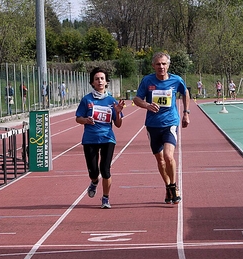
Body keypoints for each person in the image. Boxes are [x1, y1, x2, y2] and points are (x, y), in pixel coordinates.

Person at [133, 52, 190, 204]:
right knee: (160, 160)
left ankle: (174, 185)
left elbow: (185, 92)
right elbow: (136, 99)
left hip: (170, 123)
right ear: (153, 66)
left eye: (164, 64)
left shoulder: (176, 80)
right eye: (158, 64)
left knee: (168, 156)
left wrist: (186, 113)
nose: (161, 67)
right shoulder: (147, 81)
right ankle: (168, 186)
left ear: (168, 65)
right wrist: (147, 105)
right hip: (152, 125)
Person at [75, 67, 125, 209]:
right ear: (92, 82)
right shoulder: (87, 100)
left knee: (105, 169)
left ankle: (105, 198)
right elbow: (78, 118)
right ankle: (94, 182)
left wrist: (117, 112)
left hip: (107, 138)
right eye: (97, 79)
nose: (100, 81)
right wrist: (86, 120)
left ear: (106, 82)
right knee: (93, 171)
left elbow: (118, 124)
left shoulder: (112, 101)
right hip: (90, 139)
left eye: (102, 78)